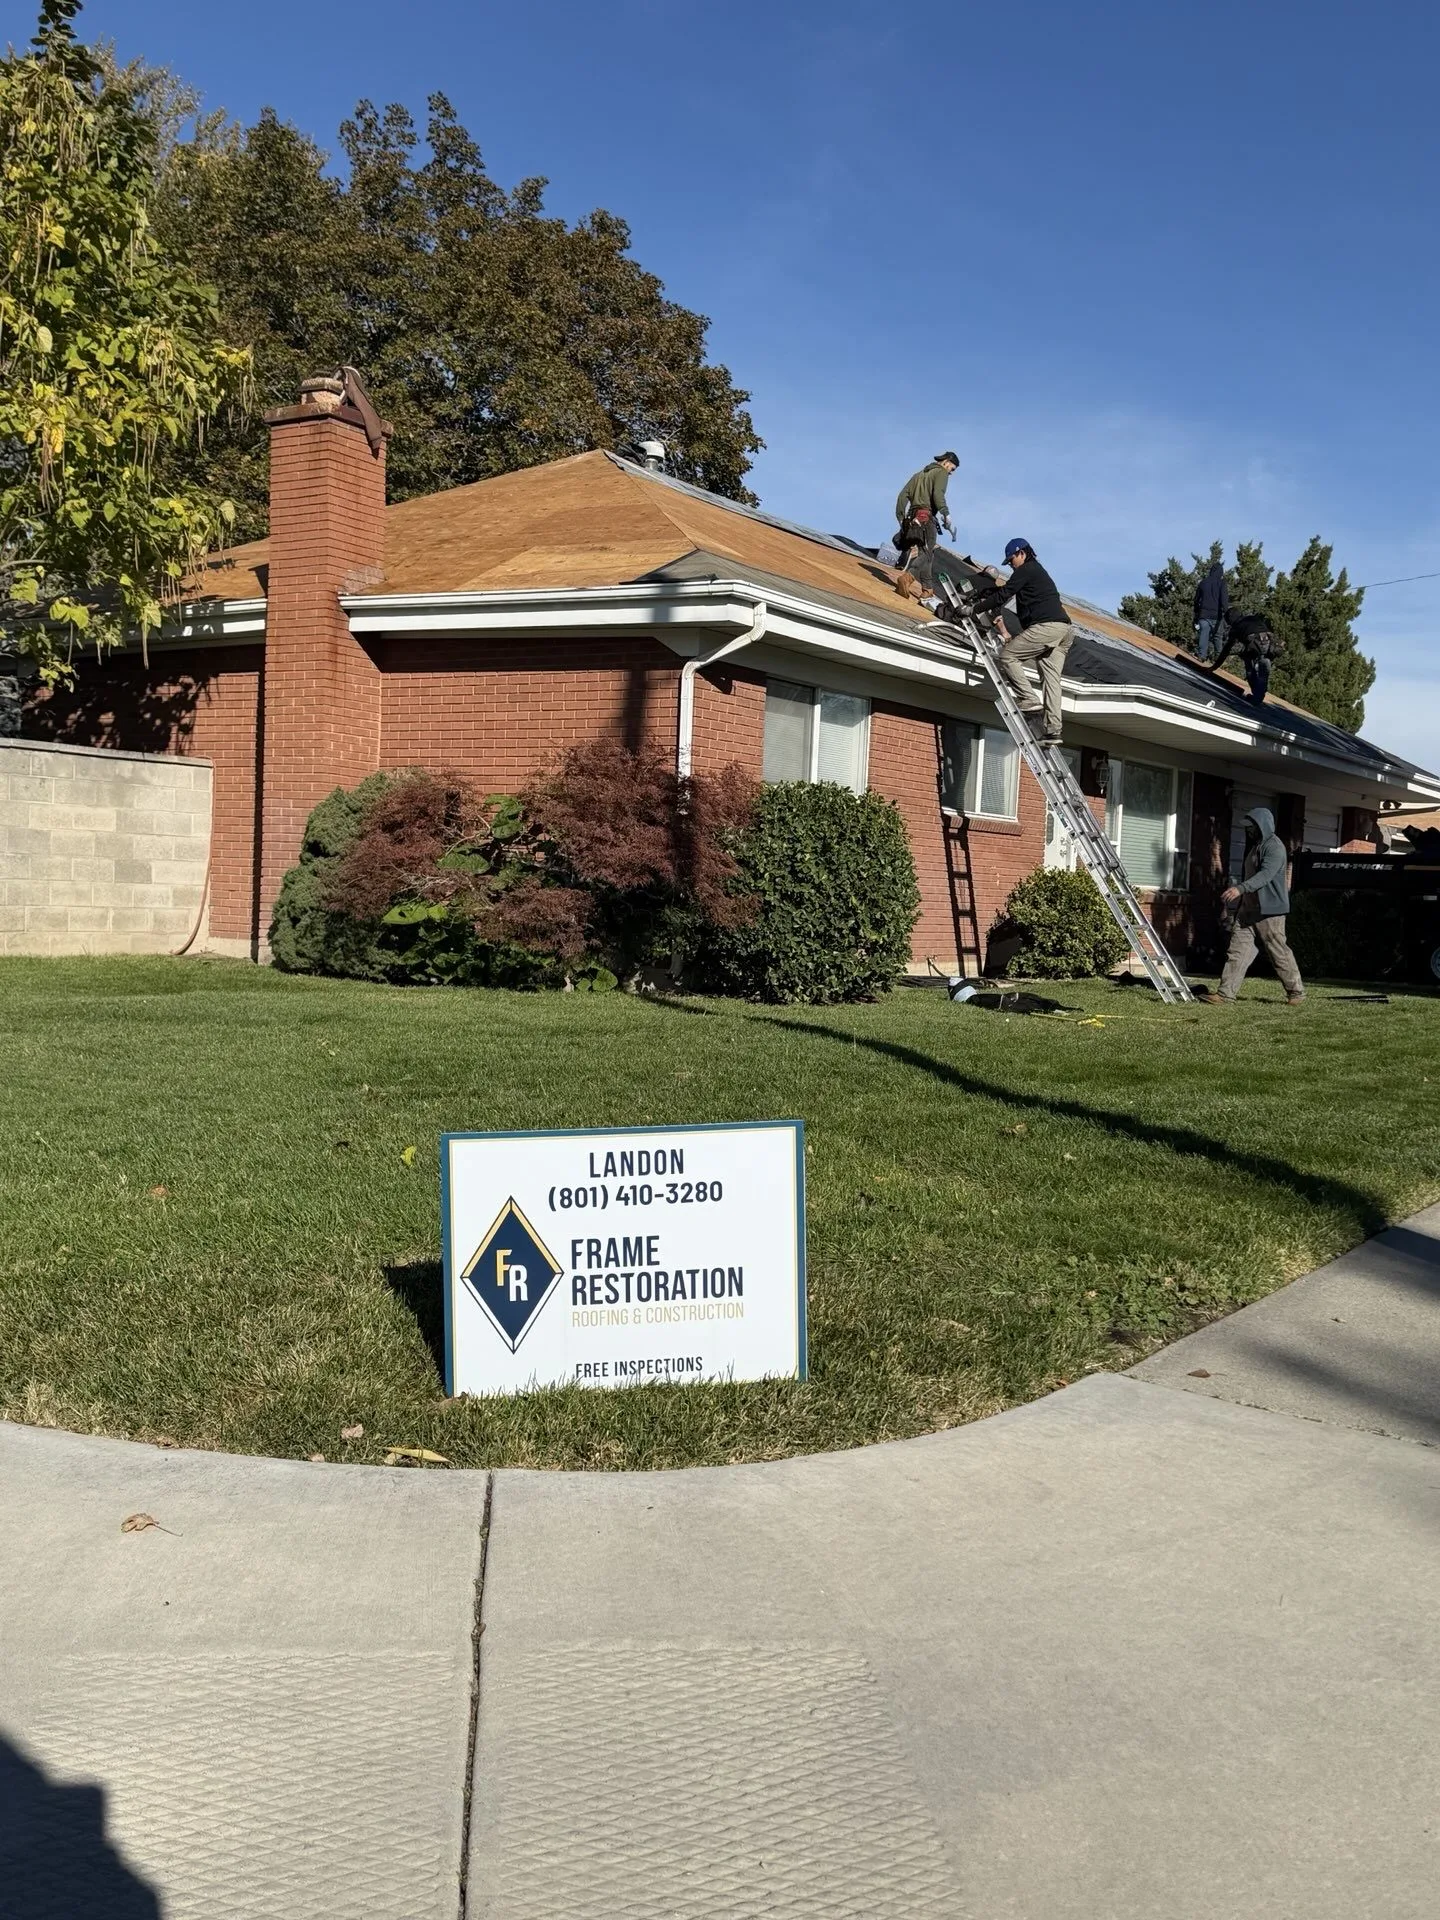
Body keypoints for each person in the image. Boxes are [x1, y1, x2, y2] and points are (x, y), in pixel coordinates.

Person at [1197, 806, 1305, 1005]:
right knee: (1237, 951)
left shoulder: (1274, 847)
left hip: (1269, 913)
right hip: (1248, 911)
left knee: (1277, 952)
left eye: (1252, 826)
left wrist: (1240, 889)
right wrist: (1242, 901)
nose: (1249, 830)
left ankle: (1296, 993)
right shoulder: (1256, 846)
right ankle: (1225, 994)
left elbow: (1265, 875)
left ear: (1262, 825)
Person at [978, 538, 1074, 744]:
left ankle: (1029, 699)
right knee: (1050, 680)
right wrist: (1005, 631)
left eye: (1011, 559)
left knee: (1008, 656)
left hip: (1048, 627)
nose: (1011, 565)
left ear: (1021, 553)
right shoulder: (1035, 574)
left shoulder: (1027, 569)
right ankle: (1053, 730)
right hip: (1063, 630)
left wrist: (973, 608)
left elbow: (1004, 593)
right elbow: (1019, 606)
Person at [894, 453, 959, 594]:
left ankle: (927, 589)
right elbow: (938, 494)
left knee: (927, 552)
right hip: (925, 515)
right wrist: (945, 513)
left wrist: (901, 518)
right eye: (952, 469)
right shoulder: (941, 472)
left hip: (912, 516)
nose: (951, 473)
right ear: (946, 462)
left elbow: (902, 496)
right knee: (928, 551)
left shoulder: (918, 475)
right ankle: (907, 578)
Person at [1210, 610, 1282, 705]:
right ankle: (1258, 696)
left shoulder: (1237, 627)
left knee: (1250, 669)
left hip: (1256, 648)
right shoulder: (1253, 619)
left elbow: (1226, 649)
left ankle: (1257, 697)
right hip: (1269, 646)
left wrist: (1214, 667)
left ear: (1231, 620)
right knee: (1263, 673)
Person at [1193, 559, 1229, 662]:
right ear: (1221, 573)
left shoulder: (1203, 583)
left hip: (1203, 614)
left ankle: (1202, 655)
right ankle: (1219, 660)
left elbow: (1196, 600)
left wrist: (1196, 613)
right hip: (1216, 615)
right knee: (1218, 636)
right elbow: (1224, 600)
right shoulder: (1222, 583)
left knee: (1203, 634)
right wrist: (1226, 614)